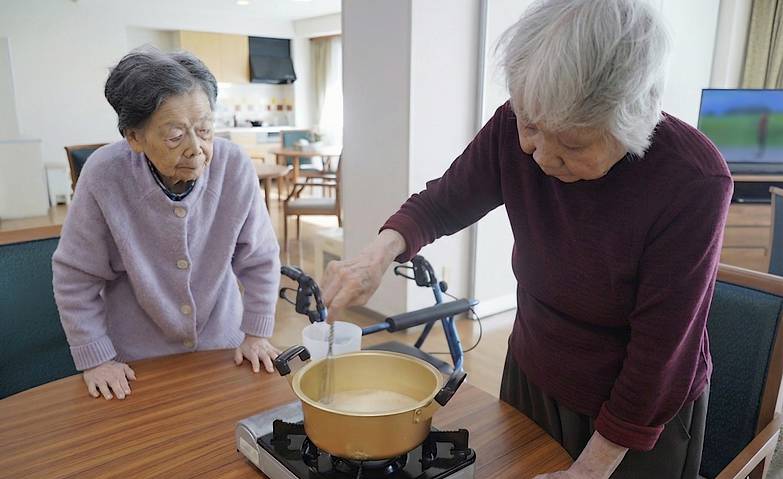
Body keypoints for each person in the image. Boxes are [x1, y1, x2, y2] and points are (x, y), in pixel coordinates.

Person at [319, 0, 733, 478]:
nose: (539, 155)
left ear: (633, 122)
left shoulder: (693, 181)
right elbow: (443, 202)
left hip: (635, 410)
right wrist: (377, 255)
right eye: (530, 126)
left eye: (572, 144)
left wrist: (590, 468)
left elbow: (662, 355)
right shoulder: (517, 123)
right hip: (531, 372)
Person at [52, 47, 282, 401]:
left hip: (224, 351)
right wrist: (96, 359)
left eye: (204, 129)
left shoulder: (233, 165)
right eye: (175, 136)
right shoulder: (104, 175)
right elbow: (75, 277)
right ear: (134, 137)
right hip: (139, 365)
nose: (196, 149)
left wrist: (256, 333)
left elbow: (261, 258)